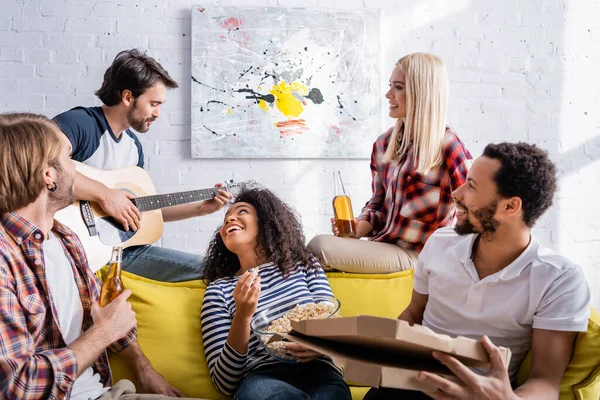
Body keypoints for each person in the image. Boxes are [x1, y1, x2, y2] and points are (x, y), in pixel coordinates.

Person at [0, 113, 208, 399]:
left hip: (104, 391)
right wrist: (103, 333)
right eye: (69, 159)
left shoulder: (63, 237)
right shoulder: (4, 258)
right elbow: (17, 388)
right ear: (49, 175)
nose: (77, 171)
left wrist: (144, 369)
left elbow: (103, 309)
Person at [364, 142, 591, 400]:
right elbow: (414, 312)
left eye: (471, 186)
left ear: (510, 207)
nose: (456, 193)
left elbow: (545, 382)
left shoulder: (559, 279)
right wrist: (370, 351)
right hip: (406, 388)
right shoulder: (440, 242)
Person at [53, 49, 231, 282]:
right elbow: (41, 163)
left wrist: (200, 209)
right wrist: (104, 194)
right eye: (153, 104)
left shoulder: (133, 147)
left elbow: (142, 209)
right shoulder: (80, 123)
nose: (158, 114)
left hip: (118, 251)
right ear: (128, 97)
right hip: (67, 246)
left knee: (209, 271)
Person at [308, 52, 472, 274]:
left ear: (421, 92)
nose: (388, 94)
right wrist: (359, 227)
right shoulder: (384, 144)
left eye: (398, 87)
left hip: (420, 255)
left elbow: (474, 210)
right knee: (314, 260)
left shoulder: (449, 146)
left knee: (320, 247)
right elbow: (377, 204)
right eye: (390, 86)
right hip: (384, 246)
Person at [200, 187, 351, 400]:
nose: (229, 219)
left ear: (266, 220)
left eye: (241, 211)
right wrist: (243, 316)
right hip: (263, 376)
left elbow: (332, 322)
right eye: (226, 218)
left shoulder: (303, 265)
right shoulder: (219, 290)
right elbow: (224, 382)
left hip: (320, 370)